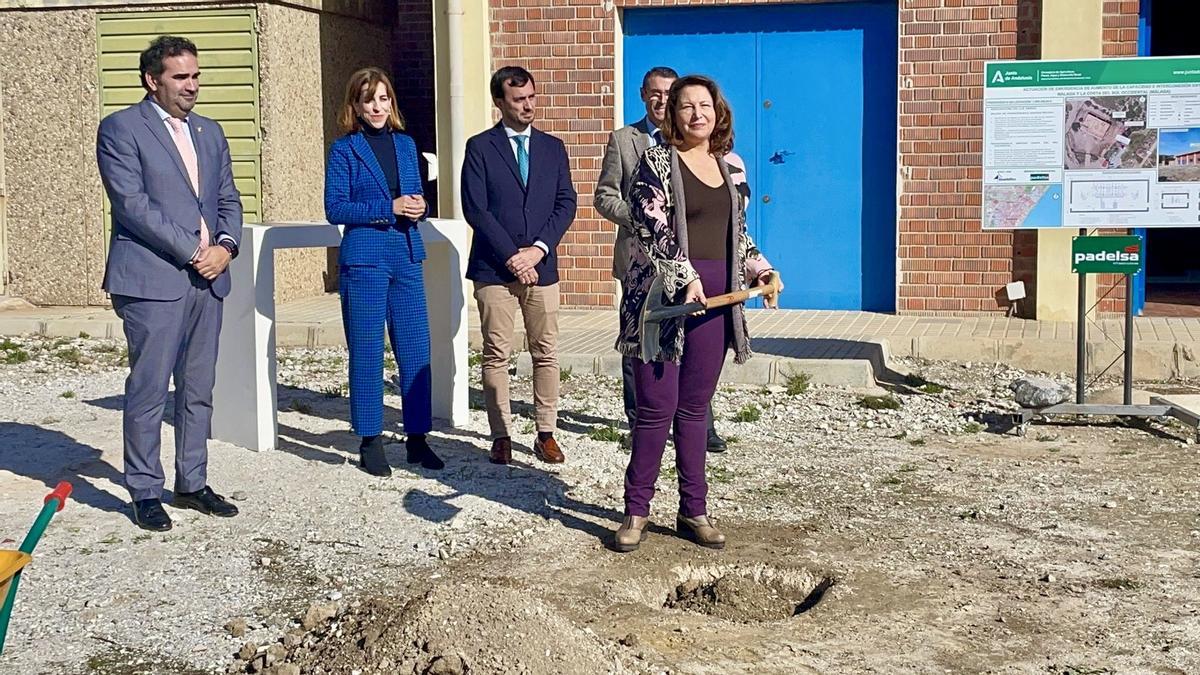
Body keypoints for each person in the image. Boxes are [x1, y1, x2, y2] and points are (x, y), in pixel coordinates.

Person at [612, 75, 783, 553]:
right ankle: (637, 510)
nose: (695, 114)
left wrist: (763, 271)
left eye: (704, 105)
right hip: (664, 302)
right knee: (654, 409)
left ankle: (694, 509)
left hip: (716, 303)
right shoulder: (656, 160)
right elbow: (651, 226)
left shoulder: (730, 165)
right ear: (672, 115)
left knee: (693, 409)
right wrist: (684, 276)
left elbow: (739, 233)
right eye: (685, 106)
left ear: (718, 111)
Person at [97, 35, 243, 531]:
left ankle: (192, 481)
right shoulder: (121, 129)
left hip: (209, 279)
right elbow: (132, 205)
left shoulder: (209, 131)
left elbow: (228, 197)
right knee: (149, 388)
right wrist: (192, 250)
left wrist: (225, 247)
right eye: (181, 77)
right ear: (151, 80)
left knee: (198, 387)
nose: (192, 86)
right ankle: (143, 489)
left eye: (196, 76)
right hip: (153, 280)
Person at [594, 67, 729, 453]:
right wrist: (645, 215)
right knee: (646, 350)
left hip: (695, 271)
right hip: (643, 268)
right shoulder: (626, 141)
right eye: (655, 93)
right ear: (644, 96)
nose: (661, 99)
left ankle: (702, 425)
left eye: (669, 93)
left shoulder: (713, 155)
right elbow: (604, 197)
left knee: (698, 355)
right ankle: (642, 423)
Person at [324, 67, 442, 476]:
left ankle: (418, 438)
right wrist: (387, 208)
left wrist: (419, 206)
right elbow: (335, 208)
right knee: (368, 350)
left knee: (415, 350)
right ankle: (370, 439)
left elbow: (414, 195)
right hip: (365, 258)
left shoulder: (407, 145)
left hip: (407, 254)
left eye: (383, 98)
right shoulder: (345, 150)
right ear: (355, 105)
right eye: (369, 99)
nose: (377, 106)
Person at [461, 66, 577, 465]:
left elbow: (566, 203)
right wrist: (513, 256)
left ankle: (546, 432)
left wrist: (538, 250)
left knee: (545, 351)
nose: (528, 105)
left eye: (531, 97)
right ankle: (501, 435)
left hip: (541, 268)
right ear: (499, 103)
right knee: (497, 352)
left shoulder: (552, 147)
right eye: (518, 100)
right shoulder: (480, 148)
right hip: (494, 269)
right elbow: (476, 208)